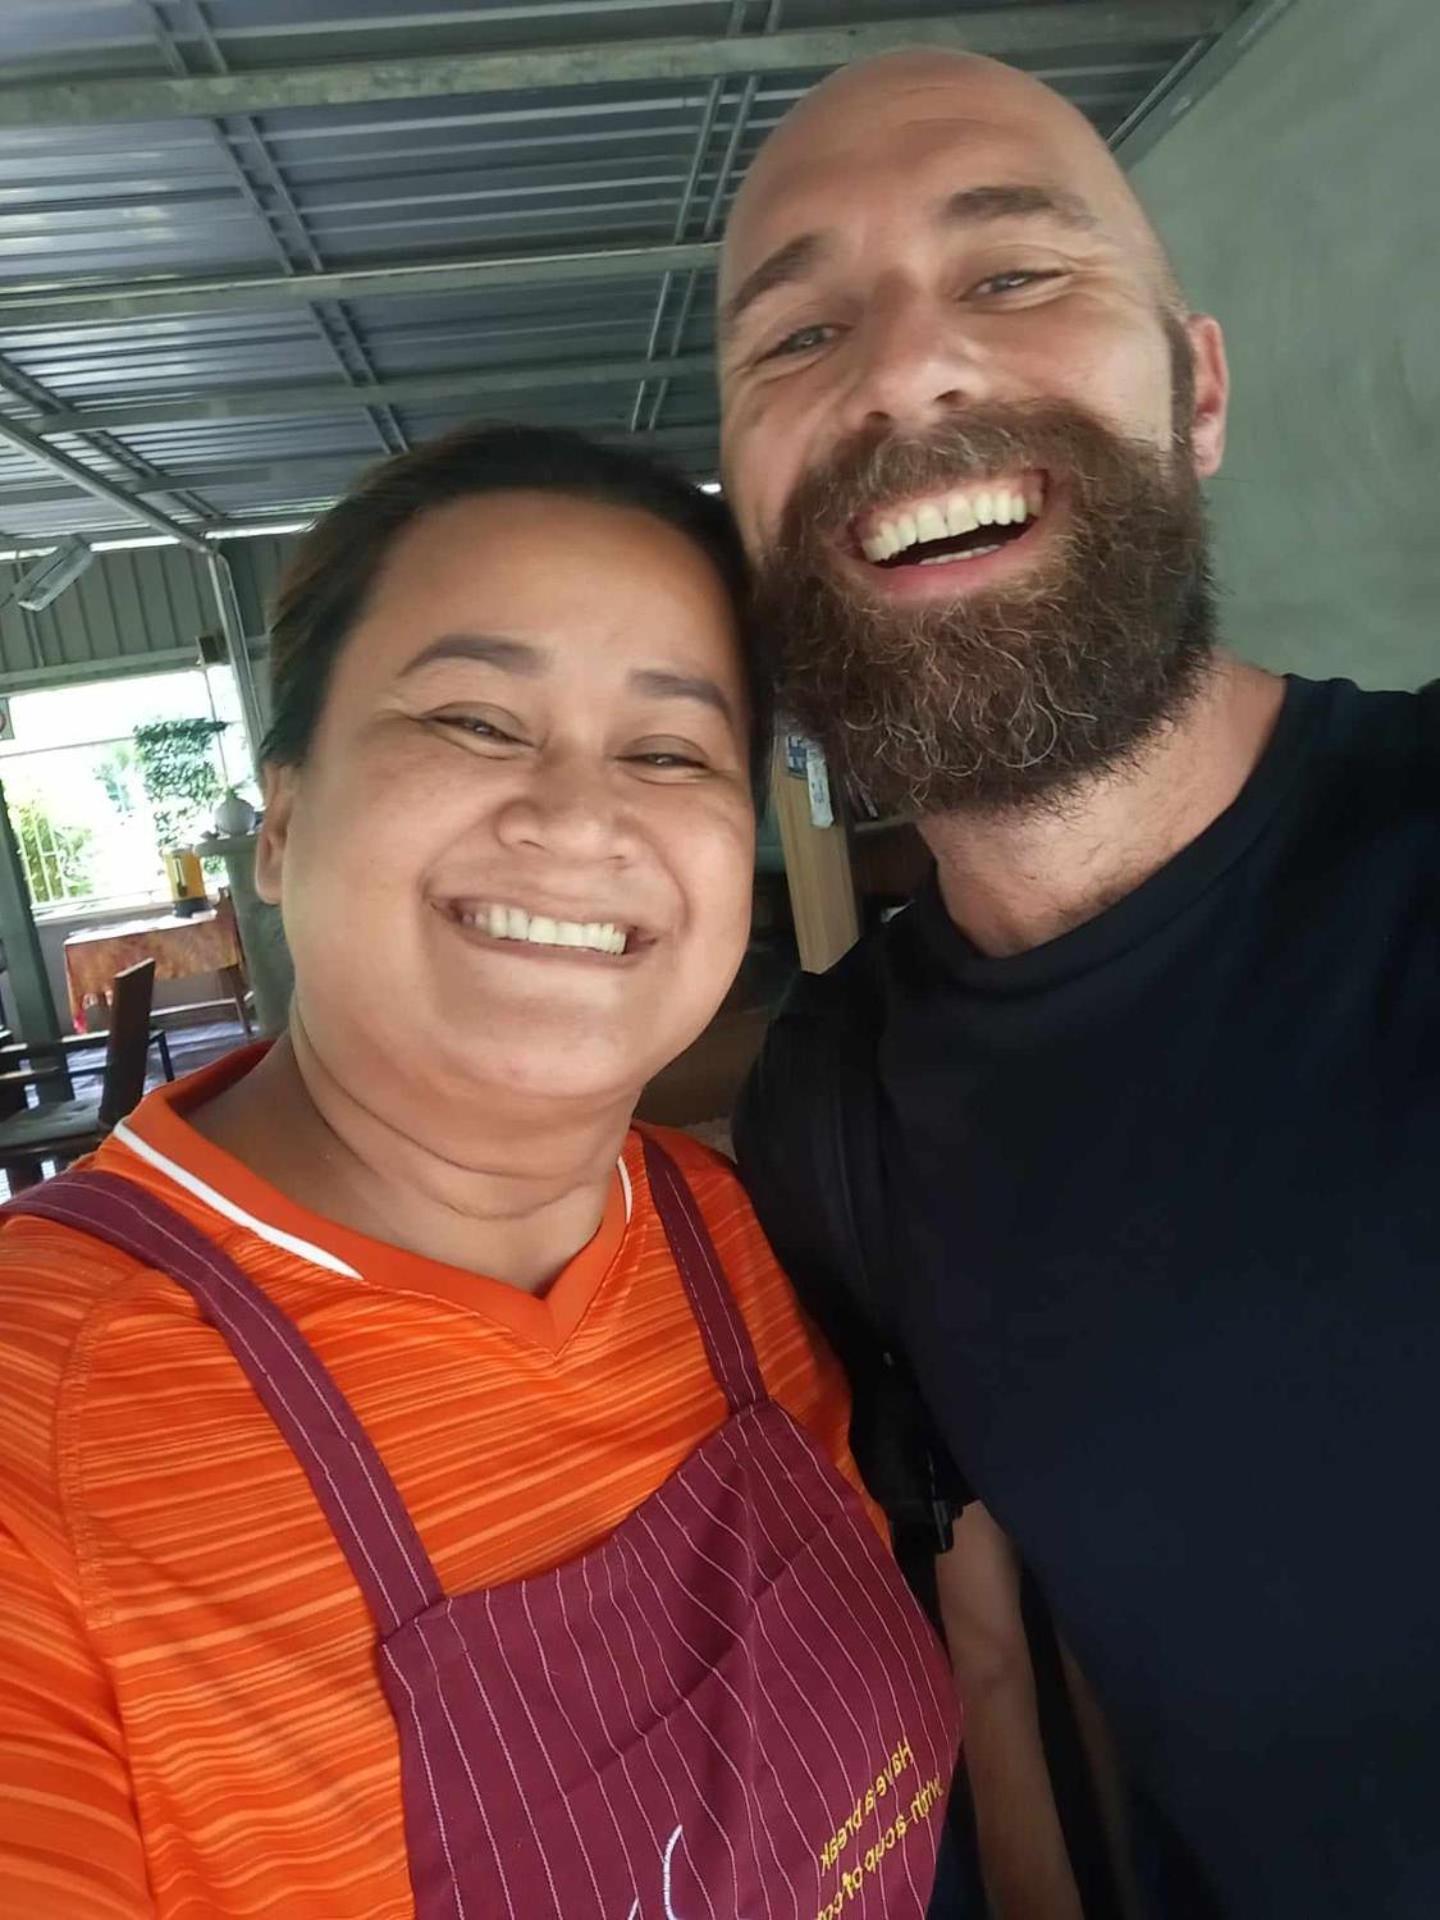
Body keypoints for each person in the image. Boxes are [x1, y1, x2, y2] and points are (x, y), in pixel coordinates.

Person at [0, 425, 960, 1918]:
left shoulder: (724, 1235)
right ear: (284, 817)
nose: (579, 817)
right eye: (472, 721)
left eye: (668, 750)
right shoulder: (33, 1424)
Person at [722, 48, 1440, 1920]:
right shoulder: (831, 1113)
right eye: (796, 338)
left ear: (1197, 391)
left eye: (1016, 275)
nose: (902, 371)